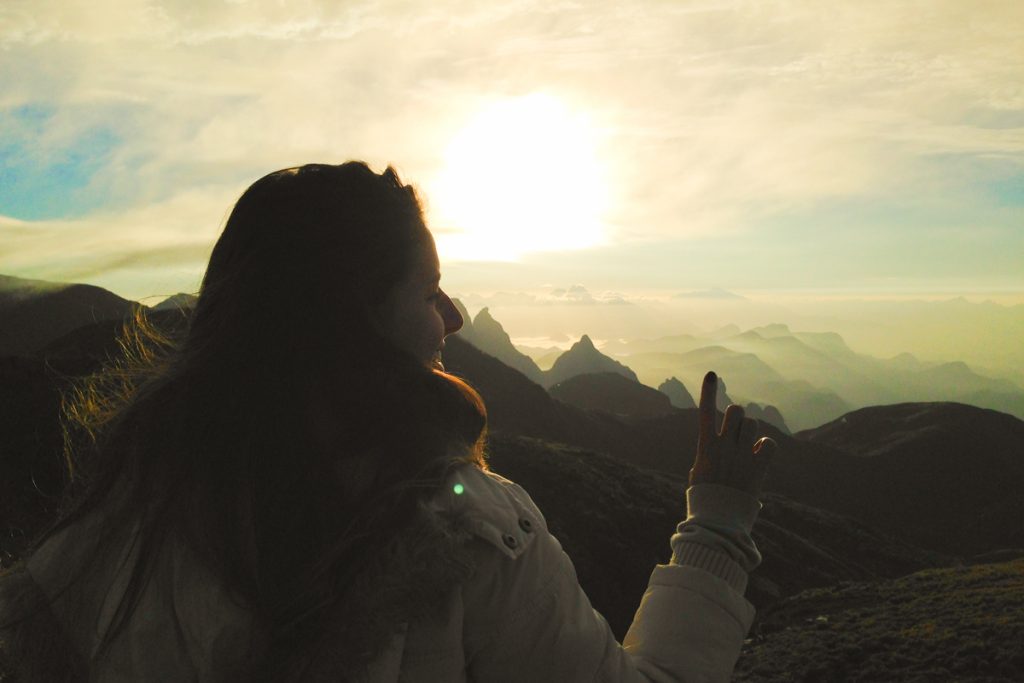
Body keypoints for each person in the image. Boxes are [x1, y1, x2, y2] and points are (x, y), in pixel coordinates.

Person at [0, 162, 775, 682]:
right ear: (353, 321)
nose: (455, 315)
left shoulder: (102, 545)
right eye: (428, 289)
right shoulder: (470, 539)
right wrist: (716, 528)